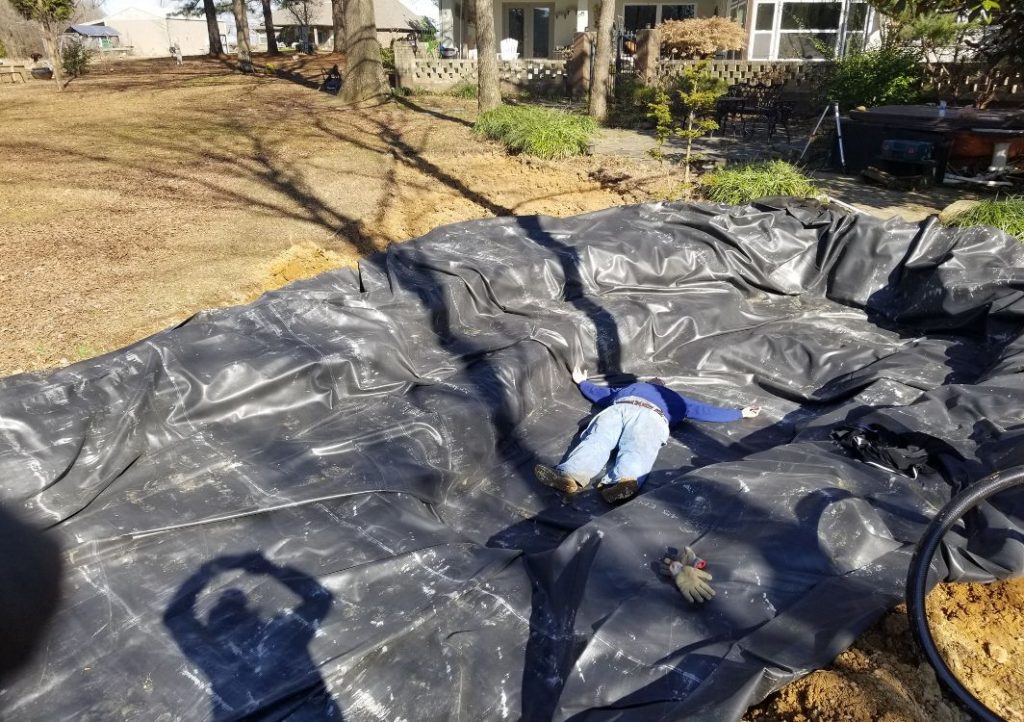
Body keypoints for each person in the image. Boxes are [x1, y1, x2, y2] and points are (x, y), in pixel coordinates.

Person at [535, 367, 760, 503]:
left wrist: (739, 413)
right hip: (636, 413)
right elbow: (598, 393)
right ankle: (595, 479)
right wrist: (582, 381)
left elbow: (598, 394)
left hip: (636, 412)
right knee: (618, 443)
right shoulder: (652, 394)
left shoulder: (653, 394)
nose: (655, 383)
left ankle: (595, 480)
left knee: (616, 443)